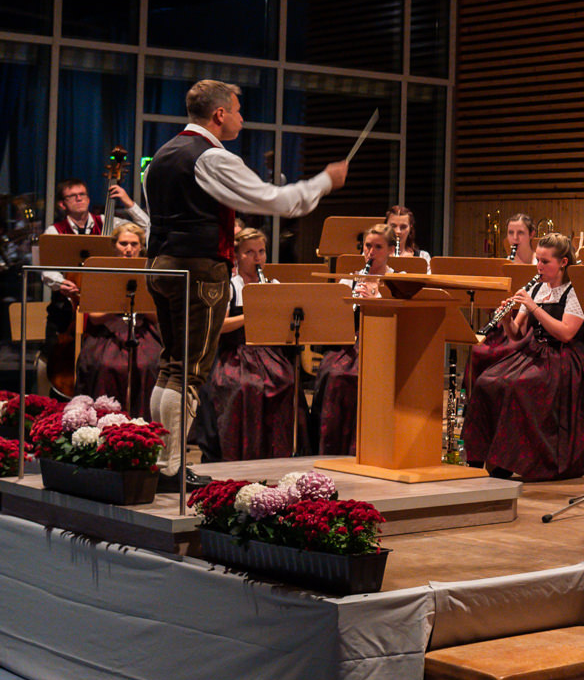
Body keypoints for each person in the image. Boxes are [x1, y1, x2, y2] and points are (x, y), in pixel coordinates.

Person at [144, 80, 344, 485]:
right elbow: (278, 201)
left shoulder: (163, 154)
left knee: (171, 367)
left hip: (161, 265)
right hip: (199, 269)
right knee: (188, 372)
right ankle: (172, 468)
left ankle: (163, 462)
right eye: (237, 110)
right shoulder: (212, 157)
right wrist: (325, 180)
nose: (241, 118)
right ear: (219, 114)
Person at [463, 232, 584, 481]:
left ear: (563, 262)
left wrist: (533, 307)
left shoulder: (575, 291)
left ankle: (508, 462)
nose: (539, 267)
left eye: (545, 261)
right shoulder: (535, 287)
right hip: (536, 353)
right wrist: (506, 319)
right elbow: (516, 335)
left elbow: (566, 333)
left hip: (565, 359)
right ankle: (479, 456)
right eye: (538, 260)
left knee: (515, 386)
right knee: (487, 381)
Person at [196, 228, 299, 461]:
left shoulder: (273, 284)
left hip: (269, 352)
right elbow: (218, 326)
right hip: (235, 354)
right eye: (249, 252)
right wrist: (250, 314)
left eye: (261, 251)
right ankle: (239, 451)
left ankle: (275, 451)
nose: (257, 258)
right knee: (246, 386)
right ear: (237, 256)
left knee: (287, 381)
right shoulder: (230, 286)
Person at [313, 224, 397, 456]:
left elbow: (403, 320)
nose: (371, 252)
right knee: (334, 374)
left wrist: (375, 299)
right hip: (352, 344)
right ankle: (333, 448)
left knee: (363, 376)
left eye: (378, 247)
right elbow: (333, 321)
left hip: (386, 344)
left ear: (391, 250)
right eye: (368, 246)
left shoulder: (398, 281)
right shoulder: (348, 281)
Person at [68, 222, 162, 419]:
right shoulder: (102, 270)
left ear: (141, 246)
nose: (129, 249)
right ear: (114, 246)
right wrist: (120, 302)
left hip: (141, 331)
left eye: (134, 244)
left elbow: (156, 317)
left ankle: (143, 421)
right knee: (104, 365)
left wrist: (140, 303)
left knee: (148, 364)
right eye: (123, 243)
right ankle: (103, 421)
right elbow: (95, 317)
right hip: (108, 333)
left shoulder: (150, 271)